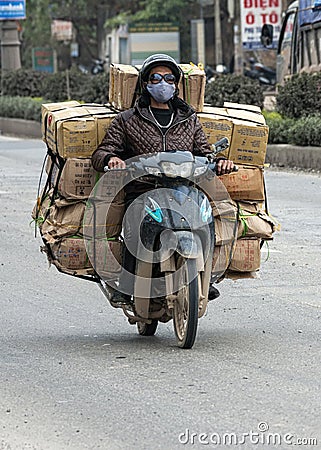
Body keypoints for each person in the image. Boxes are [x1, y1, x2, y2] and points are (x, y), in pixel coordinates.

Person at [91, 53, 234, 304]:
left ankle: (206, 277)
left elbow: (204, 153)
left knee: (205, 221)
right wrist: (110, 160)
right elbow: (102, 151)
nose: (163, 83)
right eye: (156, 78)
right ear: (145, 84)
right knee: (135, 226)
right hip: (144, 189)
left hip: (183, 189)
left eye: (169, 78)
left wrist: (219, 162)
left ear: (176, 84)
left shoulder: (188, 119)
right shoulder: (127, 120)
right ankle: (126, 286)